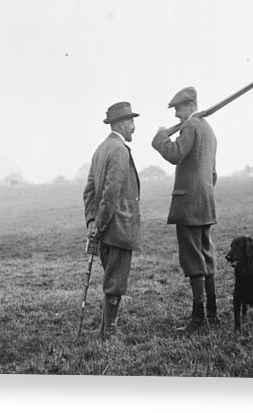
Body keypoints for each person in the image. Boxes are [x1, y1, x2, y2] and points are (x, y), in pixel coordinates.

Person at [151, 87, 218, 334]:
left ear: (191, 105)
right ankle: (212, 314)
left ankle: (198, 318)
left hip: (189, 203)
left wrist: (160, 138)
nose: (176, 115)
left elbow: (175, 154)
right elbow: (213, 174)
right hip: (205, 203)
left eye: (178, 108)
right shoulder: (209, 130)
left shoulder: (191, 126)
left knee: (193, 259)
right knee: (207, 256)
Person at [83, 101, 141, 341]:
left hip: (106, 227)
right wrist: (100, 224)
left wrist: (92, 222)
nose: (134, 127)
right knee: (115, 282)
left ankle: (103, 331)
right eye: (131, 122)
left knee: (111, 278)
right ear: (119, 123)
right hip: (117, 227)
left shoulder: (100, 149)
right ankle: (110, 332)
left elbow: (88, 191)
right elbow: (109, 192)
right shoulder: (118, 150)